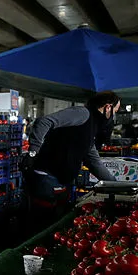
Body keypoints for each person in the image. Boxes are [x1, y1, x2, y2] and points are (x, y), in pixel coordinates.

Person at [22, 91, 118, 223]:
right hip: (47, 177)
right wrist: (33, 152)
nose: (113, 116)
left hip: (60, 181)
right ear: (108, 107)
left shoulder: (91, 128)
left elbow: (94, 162)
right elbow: (44, 122)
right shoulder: (83, 113)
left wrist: (117, 186)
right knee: (41, 224)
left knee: (54, 225)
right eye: (115, 111)